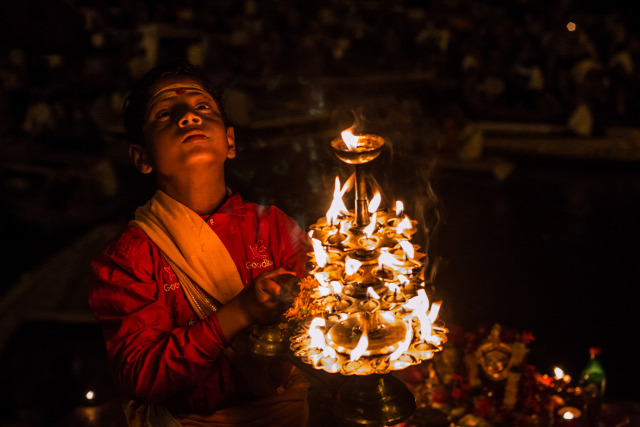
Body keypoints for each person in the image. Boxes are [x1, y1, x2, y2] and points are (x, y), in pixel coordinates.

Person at [88, 59, 311, 426]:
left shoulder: (272, 227)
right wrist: (239, 313)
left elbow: (324, 321)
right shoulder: (129, 258)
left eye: (202, 107)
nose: (189, 117)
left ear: (230, 140)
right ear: (140, 157)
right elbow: (142, 376)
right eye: (165, 113)